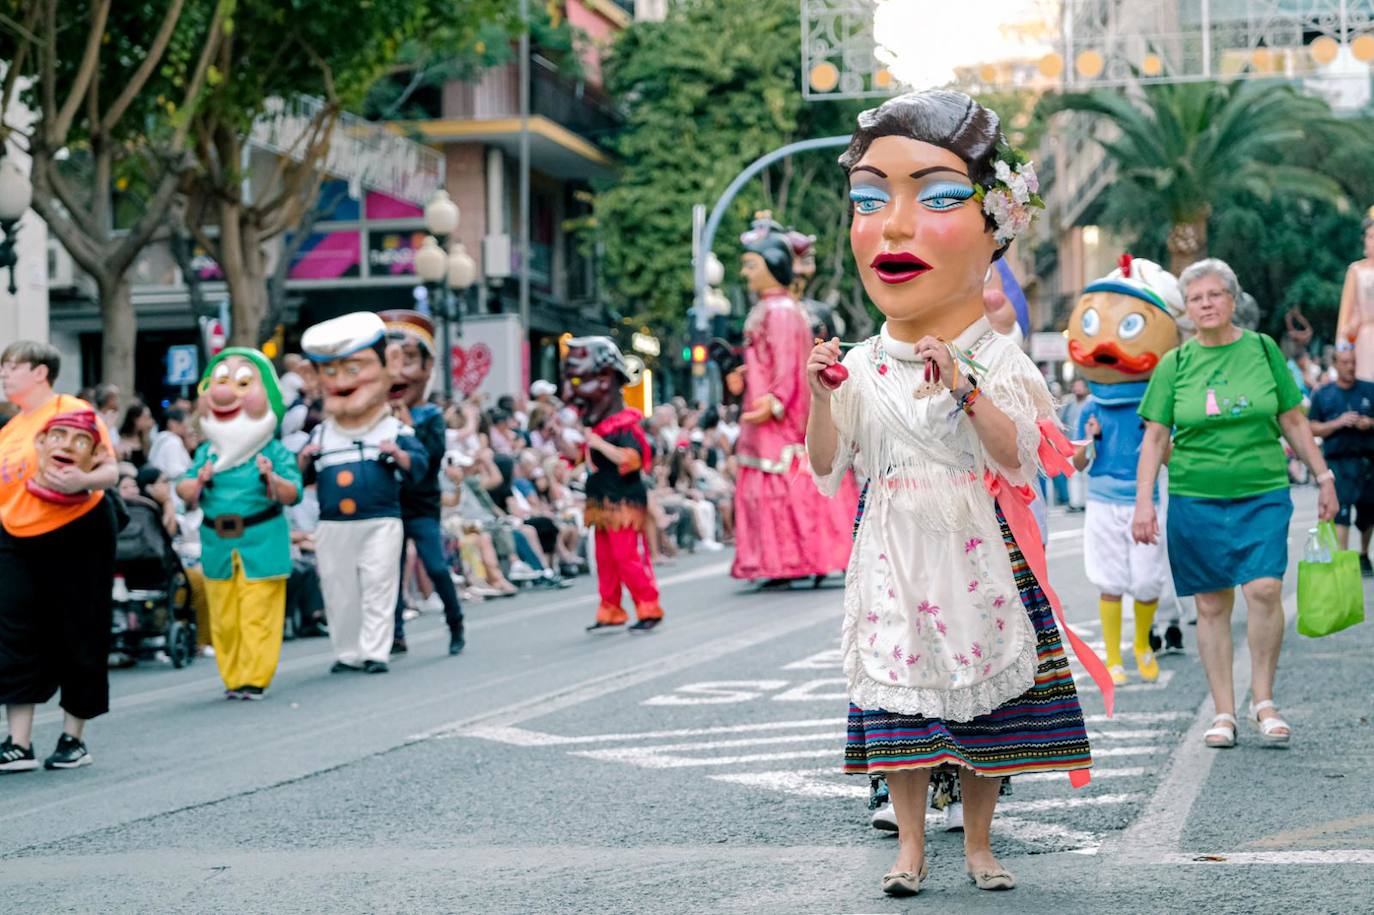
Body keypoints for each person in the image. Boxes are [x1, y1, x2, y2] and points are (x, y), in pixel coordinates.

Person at [807, 90, 1106, 897]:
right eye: (870, 200)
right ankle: (908, 851)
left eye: (937, 197)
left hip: (976, 543)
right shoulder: (862, 362)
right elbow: (826, 465)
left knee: (986, 712)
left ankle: (978, 844)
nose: (893, 227)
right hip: (893, 545)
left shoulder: (999, 356)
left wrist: (966, 388)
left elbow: (1021, 462)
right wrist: (814, 393)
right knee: (897, 705)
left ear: (996, 227)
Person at [1134, 258, 1337, 750]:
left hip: (1262, 490)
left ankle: (1263, 700)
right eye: (1197, 298)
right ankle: (1224, 710)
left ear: (1232, 300)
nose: (1206, 304)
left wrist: (1323, 475)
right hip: (1195, 498)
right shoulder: (1175, 364)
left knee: (1265, 589)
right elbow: (1156, 436)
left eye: (1214, 295)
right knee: (1210, 603)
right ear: (1189, 307)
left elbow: (1292, 420)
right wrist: (1144, 503)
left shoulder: (1263, 350)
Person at [0, 342, 118, 772]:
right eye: (4, 367)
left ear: (40, 372)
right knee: (15, 633)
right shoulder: (10, 431)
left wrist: (80, 480)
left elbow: (111, 470)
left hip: (77, 532)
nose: (5, 374)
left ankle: (73, 738)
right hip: (17, 537)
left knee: (79, 630)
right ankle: (18, 743)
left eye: (13, 366)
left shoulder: (73, 410)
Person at [1066, 255, 1184, 682]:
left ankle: (1142, 646)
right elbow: (1076, 463)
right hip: (1102, 501)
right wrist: (1090, 439)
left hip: (1147, 500)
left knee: (1149, 579)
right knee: (1109, 579)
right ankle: (1114, 657)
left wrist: (1160, 435)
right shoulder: (1091, 407)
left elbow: (1171, 455)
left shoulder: (1157, 401)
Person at [732, 214, 857, 586]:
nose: (745, 273)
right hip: (764, 411)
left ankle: (797, 558)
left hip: (777, 419)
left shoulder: (782, 311)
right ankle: (781, 561)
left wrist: (776, 400)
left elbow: (787, 363)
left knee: (784, 485)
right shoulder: (773, 308)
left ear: (773, 266)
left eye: (751, 265)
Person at [300, 312, 428, 674]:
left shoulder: (393, 427)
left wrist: (398, 455)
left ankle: (375, 651)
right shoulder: (322, 433)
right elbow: (299, 480)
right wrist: (304, 460)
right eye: (330, 371)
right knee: (339, 590)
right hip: (333, 523)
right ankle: (346, 652)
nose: (340, 381)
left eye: (353, 369)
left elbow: (418, 468)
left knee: (377, 584)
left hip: (380, 519)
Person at [176, 348, 301, 700]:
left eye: (243, 382)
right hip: (217, 542)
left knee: (257, 614)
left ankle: (254, 678)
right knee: (225, 618)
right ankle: (233, 677)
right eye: (220, 380)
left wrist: (271, 478)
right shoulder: (207, 452)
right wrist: (197, 482)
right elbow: (182, 487)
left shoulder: (273, 450)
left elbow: (293, 493)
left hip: (261, 541)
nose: (226, 391)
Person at [562, 337, 664, 633]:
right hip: (600, 499)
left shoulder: (625, 427)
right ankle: (611, 610)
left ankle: (648, 606)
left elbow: (632, 460)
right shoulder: (599, 428)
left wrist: (598, 444)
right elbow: (580, 459)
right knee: (604, 560)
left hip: (623, 500)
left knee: (626, 557)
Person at [381, 310, 466, 657]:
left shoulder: (430, 415)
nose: (399, 372)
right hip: (387, 503)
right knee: (389, 571)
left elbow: (431, 458)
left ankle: (455, 621)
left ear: (428, 368)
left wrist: (404, 424)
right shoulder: (374, 416)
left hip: (422, 504)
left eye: (410, 360)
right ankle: (395, 633)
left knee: (434, 564)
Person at [1306, 346, 1374, 572]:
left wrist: (1369, 423)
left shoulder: (1369, 389)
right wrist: (1338, 422)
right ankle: (1344, 560)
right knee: (1340, 513)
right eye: (1344, 362)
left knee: (1367, 513)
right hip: (1338, 462)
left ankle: (1364, 553)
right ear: (1335, 364)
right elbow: (1311, 427)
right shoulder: (1323, 394)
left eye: (1353, 362)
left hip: (1367, 461)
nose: (1350, 367)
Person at [1337, 206, 1374, 382]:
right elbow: (1345, 314)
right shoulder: (1356, 270)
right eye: (1371, 237)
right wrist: (1342, 346)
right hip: (1365, 338)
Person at [1060, 379, 1090, 511]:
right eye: (1075, 386)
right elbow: (1061, 422)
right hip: (1071, 443)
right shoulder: (1069, 404)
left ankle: (1086, 502)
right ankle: (1075, 502)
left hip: (1088, 443)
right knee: (1073, 475)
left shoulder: (1090, 403)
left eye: (1080, 386)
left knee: (1086, 474)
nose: (1077, 389)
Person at [147, 407, 196, 481]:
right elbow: (176, 472)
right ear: (172, 424)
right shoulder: (172, 441)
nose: (187, 427)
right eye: (185, 423)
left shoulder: (163, 440)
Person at [116, 400, 155, 467]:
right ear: (135, 419)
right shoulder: (119, 438)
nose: (149, 421)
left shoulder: (146, 438)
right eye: (145, 418)